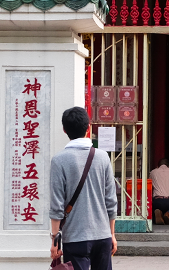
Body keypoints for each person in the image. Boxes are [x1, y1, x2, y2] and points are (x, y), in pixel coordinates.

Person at [49, 106, 119, 270]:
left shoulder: (59, 160)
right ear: (88, 127)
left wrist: (55, 240)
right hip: (102, 236)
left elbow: (56, 204)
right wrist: (112, 235)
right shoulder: (103, 157)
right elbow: (111, 200)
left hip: (75, 237)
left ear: (64, 129)